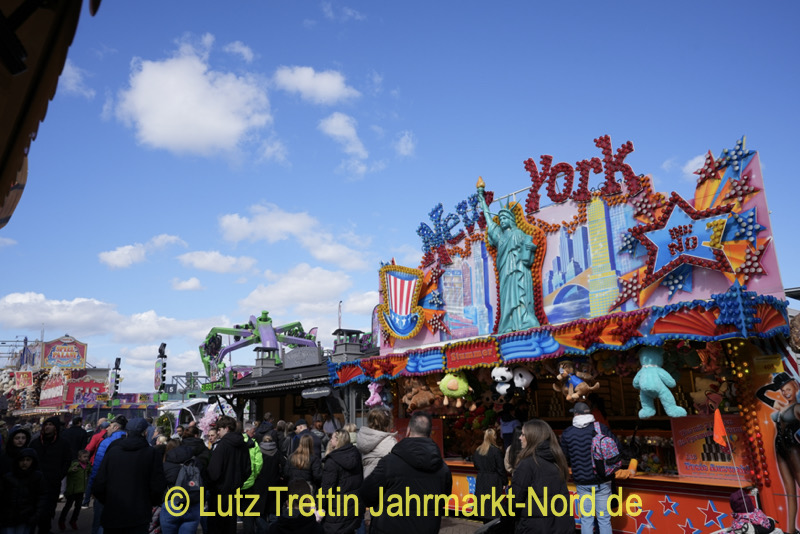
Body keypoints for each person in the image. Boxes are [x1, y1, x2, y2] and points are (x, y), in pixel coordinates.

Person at [360, 411, 452, 534]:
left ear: (408, 431)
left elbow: (367, 494)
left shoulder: (389, 463)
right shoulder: (443, 469)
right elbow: (443, 499)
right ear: (429, 433)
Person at [477, 182, 539, 333]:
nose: (503, 221)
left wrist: (530, 248)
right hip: (505, 271)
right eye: (501, 219)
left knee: (520, 293)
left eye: (505, 218)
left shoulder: (518, 233)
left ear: (511, 220)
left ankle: (525, 320)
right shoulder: (499, 236)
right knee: (507, 298)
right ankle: (508, 324)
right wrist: (482, 201)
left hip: (519, 269)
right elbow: (489, 220)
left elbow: (528, 250)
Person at [93, 418, 166, 534]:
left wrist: (108, 501)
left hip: (113, 512)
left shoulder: (113, 451)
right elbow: (157, 485)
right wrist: (149, 503)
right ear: (145, 433)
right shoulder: (152, 453)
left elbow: (99, 482)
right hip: (138, 514)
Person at [560, 401, 618, 534]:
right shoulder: (601, 428)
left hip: (582, 482)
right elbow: (617, 448)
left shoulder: (568, 433)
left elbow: (564, 456)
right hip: (603, 480)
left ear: (576, 414)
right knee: (604, 519)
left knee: (586, 519)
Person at [509, 419, 573, 534]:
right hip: (559, 527)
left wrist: (504, 522)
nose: (520, 438)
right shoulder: (557, 460)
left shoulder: (527, 464)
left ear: (533, 437)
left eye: (523, 434)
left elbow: (514, 501)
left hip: (534, 527)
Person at [756, 371, 800, 534]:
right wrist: (773, 386)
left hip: (792, 448)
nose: (785, 393)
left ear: (795, 387)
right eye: (782, 390)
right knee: (790, 492)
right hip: (779, 449)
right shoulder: (782, 406)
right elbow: (760, 394)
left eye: (788, 389)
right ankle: (791, 530)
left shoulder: (798, 407)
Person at [205, 415, 252, 534]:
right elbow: (247, 470)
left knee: (217, 527)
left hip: (219, 493)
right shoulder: (243, 445)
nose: (218, 432)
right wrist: (238, 482)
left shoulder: (222, 446)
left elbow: (213, 472)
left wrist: (211, 484)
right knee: (230, 526)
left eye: (219, 429)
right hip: (234, 491)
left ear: (226, 428)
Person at [160, 426, 209, 534]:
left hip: (171, 503)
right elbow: (205, 482)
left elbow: (159, 485)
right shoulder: (196, 463)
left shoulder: (166, 465)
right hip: (192, 505)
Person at [30, 416, 71, 534]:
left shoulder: (63, 443)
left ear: (55, 427)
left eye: (50, 425)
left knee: (48, 509)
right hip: (36, 482)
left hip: (52, 482)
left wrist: (59, 475)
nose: (47, 427)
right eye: (46, 424)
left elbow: (67, 461)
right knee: (34, 508)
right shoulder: (36, 442)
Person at [321, 429, 363, 534]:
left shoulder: (332, 461)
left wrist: (320, 506)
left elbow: (327, 489)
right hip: (353, 507)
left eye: (332, 438)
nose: (330, 440)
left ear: (338, 440)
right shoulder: (356, 455)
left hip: (337, 509)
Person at [0, 448, 46, 534]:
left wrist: (36, 515)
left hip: (26, 517)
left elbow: (41, 497)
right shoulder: (8, 478)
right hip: (8, 517)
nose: (25, 463)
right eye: (22, 460)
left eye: (28, 460)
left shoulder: (37, 477)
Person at [472, 428, 507, 524]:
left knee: (483, 505)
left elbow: (475, 465)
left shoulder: (478, 450)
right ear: (493, 437)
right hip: (494, 480)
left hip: (481, 479)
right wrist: (504, 482)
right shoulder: (496, 451)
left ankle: (485, 526)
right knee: (494, 506)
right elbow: (501, 468)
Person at [356, 408, 396, 479]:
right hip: (385, 482)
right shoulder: (390, 442)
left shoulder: (363, 439)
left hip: (367, 479)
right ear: (387, 425)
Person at [59, 449, 90, 531]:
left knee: (78, 507)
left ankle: (73, 521)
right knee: (68, 506)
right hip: (72, 490)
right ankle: (61, 521)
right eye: (84, 457)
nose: (86, 458)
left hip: (81, 490)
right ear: (79, 458)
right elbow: (66, 471)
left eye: (87, 457)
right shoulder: (74, 465)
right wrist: (71, 470)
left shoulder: (88, 465)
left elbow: (91, 471)